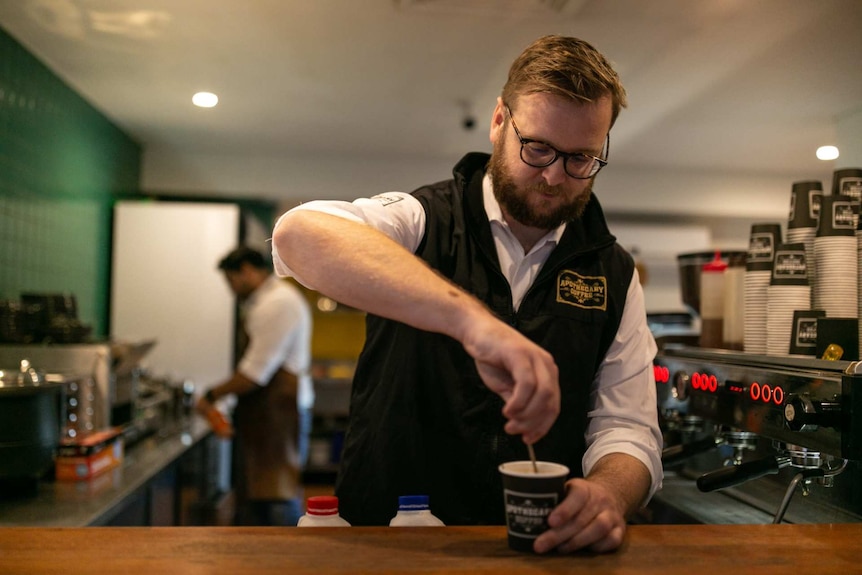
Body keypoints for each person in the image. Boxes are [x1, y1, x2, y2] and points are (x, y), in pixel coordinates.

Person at [271, 34, 662, 552]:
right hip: (388, 543)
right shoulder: (422, 220)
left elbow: (627, 427)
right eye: (538, 147)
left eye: (581, 159)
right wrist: (475, 325)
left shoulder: (613, 271)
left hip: (539, 551)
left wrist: (609, 495)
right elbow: (299, 234)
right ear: (500, 120)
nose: (553, 175)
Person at [196, 246, 314, 526]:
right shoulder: (266, 302)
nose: (231, 288)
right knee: (261, 496)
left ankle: (285, 565)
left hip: (281, 415)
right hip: (268, 413)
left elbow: (254, 374)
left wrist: (211, 396)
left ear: (247, 271)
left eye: (231, 280)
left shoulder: (278, 303)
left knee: (277, 494)